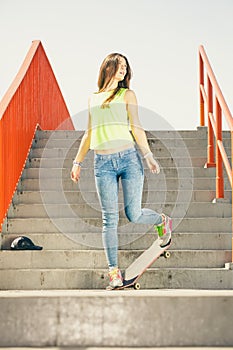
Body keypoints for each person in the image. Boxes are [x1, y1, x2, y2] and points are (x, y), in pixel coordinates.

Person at [71, 53, 172, 290]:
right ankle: (114, 273)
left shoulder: (127, 95)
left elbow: (136, 126)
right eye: (120, 66)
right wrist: (77, 162)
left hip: (129, 160)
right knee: (109, 219)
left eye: (126, 67)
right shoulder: (93, 98)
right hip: (102, 163)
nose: (124, 70)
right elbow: (88, 133)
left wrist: (148, 156)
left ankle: (162, 221)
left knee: (133, 214)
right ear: (108, 67)